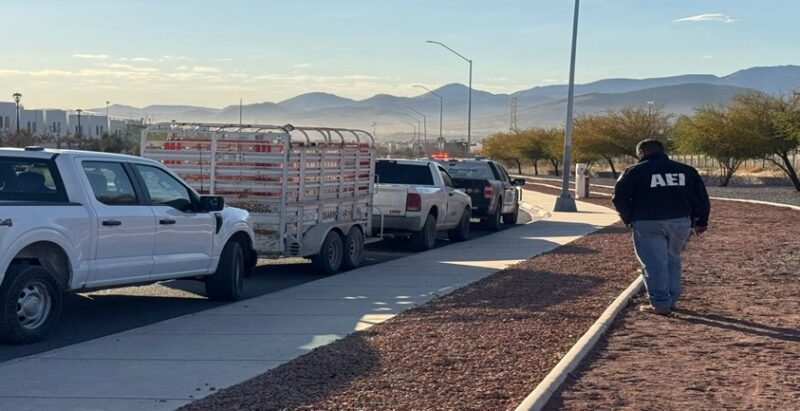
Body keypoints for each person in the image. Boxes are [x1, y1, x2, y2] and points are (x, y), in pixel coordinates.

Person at [612, 139, 710, 316]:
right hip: (681, 223)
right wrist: (701, 221)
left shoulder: (634, 171)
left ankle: (660, 303)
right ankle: (671, 299)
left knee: (654, 263)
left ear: (642, 152)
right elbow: (702, 197)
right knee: (673, 259)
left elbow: (618, 197)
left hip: (648, 223)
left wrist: (629, 218)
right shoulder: (686, 170)